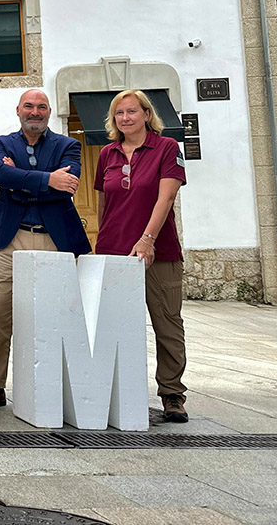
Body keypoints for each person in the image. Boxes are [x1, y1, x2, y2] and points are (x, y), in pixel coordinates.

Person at [0, 89, 91, 409]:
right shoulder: (3, 143)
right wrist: (47, 180)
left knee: (54, 315)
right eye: (28, 106)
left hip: (53, 240)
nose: (35, 112)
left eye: (41, 107)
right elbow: (0, 174)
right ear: (18, 110)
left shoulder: (68, 145)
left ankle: (51, 386)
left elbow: (67, 186)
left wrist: (20, 180)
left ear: (49, 112)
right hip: (10, 240)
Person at [94, 89, 189, 423]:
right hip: (113, 253)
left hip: (158, 253)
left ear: (147, 114)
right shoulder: (106, 153)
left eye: (132, 111)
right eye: (119, 113)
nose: (125, 118)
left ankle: (172, 394)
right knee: (112, 326)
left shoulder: (167, 148)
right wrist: (102, 244)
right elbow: (103, 203)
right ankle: (114, 392)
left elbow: (166, 198)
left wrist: (147, 239)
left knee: (167, 324)